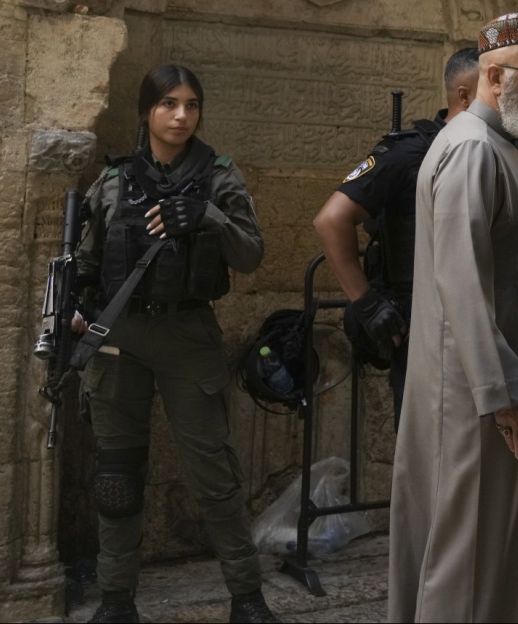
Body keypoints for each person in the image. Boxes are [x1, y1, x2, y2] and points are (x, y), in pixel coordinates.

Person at [387, 13, 518, 622]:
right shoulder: (473, 149)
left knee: (498, 547)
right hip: (479, 396)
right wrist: (501, 389)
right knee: (471, 556)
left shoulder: (501, 147)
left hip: (499, 381)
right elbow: (459, 279)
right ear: (495, 77)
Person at [73, 64, 279, 624]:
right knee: (116, 479)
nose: (182, 115)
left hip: (188, 335)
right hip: (120, 336)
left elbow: (251, 255)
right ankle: (116, 601)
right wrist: (74, 310)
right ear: (147, 110)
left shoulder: (219, 175)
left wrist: (208, 216)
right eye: (169, 104)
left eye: (191, 105)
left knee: (215, 475)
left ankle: (247, 598)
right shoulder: (113, 180)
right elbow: (86, 261)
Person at [314, 48, 483, 425]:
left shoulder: (503, 150)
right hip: (423, 323)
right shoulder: (409, 152)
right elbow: (331, 220)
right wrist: (368, 304)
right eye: (494, 85)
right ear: (464, 95)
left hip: (484, 323)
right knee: (427, 440)